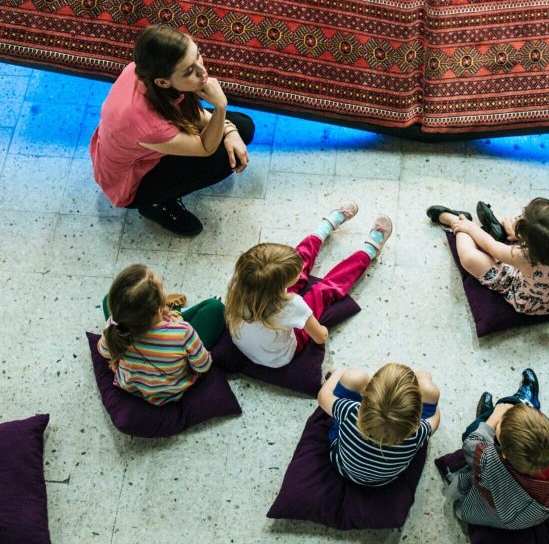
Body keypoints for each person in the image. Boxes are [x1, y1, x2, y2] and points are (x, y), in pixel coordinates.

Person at [90, 23, 254, 236]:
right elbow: (205, 147)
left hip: (133, 148)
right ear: (163, 82)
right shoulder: (146, 123)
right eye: (189, 72)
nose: (202, 71)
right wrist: (220, 106)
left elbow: (186, 112)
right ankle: (156, 203)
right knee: (226, 159)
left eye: (198, 55)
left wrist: (229, 130)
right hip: (133, 182)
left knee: (242, 127)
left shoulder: (140, 71)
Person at [224, 201, 392, 369]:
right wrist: (323, 329)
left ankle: (324, 229)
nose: (301, 271)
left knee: (286, 264)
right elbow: (320, 337)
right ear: (281, 287)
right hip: (280, 356)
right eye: (297, 274)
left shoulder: (239, 279)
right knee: (322, 291)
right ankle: (369, 250)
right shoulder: (292, 305)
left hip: (247, 344)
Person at [446, 369, 549, 530]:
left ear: (504, 454)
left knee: (475, 428)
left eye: (500, 424)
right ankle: (527, 402)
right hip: (527, 515)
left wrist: (494, 418)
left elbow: (471, 444)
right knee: (522, 419)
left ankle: (492, 412)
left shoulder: (490, 460)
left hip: (483, 510)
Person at [427, 198, 549, 316]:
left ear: (527, 244)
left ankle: (458, 220)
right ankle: (505, 229)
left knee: (469, 258)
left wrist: (470, 228)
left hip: (530, 301)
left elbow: (491, 246)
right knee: (540, 225)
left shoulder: (524, 257)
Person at [97, 264, 214, 406]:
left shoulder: (116, 326)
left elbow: (104, 351)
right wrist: (178, 324)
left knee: (107, 299)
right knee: (214, 307)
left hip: (131, 387)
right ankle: (170, 310)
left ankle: (154, 308)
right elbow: (203, 366)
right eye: (163, 287)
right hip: (173, 392)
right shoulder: (183, 332)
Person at [317, 365, 441, 486]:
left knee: (353, 377)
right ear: (417, 414)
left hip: (342, 467)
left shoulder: (351, 411)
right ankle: (422, 381)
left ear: (365, 395)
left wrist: (338, 372)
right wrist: (432, 403)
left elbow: (323, 397)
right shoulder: (418, 433)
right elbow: (434, 420)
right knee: (428, 386)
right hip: (384, 481)